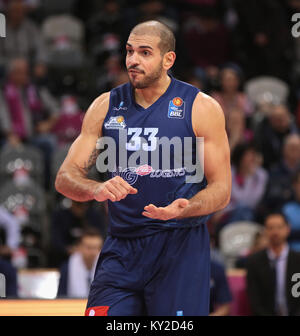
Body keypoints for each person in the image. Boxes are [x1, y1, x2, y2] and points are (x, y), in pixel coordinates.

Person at [55, 20, 231, 316]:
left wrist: (186, 207)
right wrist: (96, 188)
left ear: (168, 59)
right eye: (129, 51)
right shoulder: (105, 106)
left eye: (145, 53)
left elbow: (222, 189)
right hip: (122, 247)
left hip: (180, 246)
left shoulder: (200, 107)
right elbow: (65, 178)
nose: (133, 60)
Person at [246, 212, 300, 316]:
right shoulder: (254, 262)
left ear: (287, 229)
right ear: (265, 231)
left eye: (279, 227)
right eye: (270, 228)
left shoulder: (298, 260)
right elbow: (255, 301)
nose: (275, 232)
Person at [57, 228, 104, 298]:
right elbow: (61, 297)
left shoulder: (105, 268)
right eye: (89, 248)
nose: (93, 252)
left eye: (96, 248)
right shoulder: (67, 267)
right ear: (79, 247)